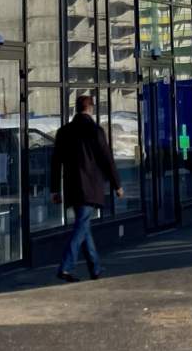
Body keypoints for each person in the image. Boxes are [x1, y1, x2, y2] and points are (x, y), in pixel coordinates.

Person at [49, 93, 122, 282]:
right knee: (81, 226)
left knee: (84, 226)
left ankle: (95, 268)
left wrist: (54, 189)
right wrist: (117, 185)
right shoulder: (95, 130)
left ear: (76, 108)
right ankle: (66, 267)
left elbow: (56, 162)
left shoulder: (64, 131)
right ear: (90, 108)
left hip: (72, 188)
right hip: (91, 187)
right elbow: (107, 159)